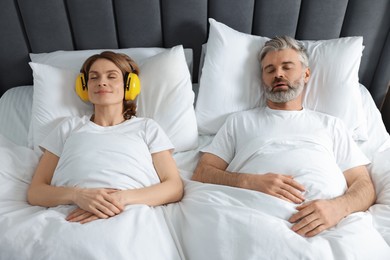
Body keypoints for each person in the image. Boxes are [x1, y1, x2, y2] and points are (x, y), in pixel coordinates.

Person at [192, 36, 376, 237]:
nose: (278, 74)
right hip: (253, 216)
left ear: (306, 74)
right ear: (262, 78)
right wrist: (249, 182)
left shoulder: (332, 125)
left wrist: (338, 208)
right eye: (269, 70)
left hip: (328, 225)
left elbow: (363, 185)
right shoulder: (240, 121)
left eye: (287, 67)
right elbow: (203, 172)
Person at [28, 51, 184, 224]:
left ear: (129, 85)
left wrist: (118, 199)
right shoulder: (68, 127)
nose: (102, 82)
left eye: (112, 76)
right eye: (94, 77)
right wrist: (78, 196)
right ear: (84, 87)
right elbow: (36, 192)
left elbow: (174, 187)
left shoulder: (147, 127)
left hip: (132, 213)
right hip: (70, 216)